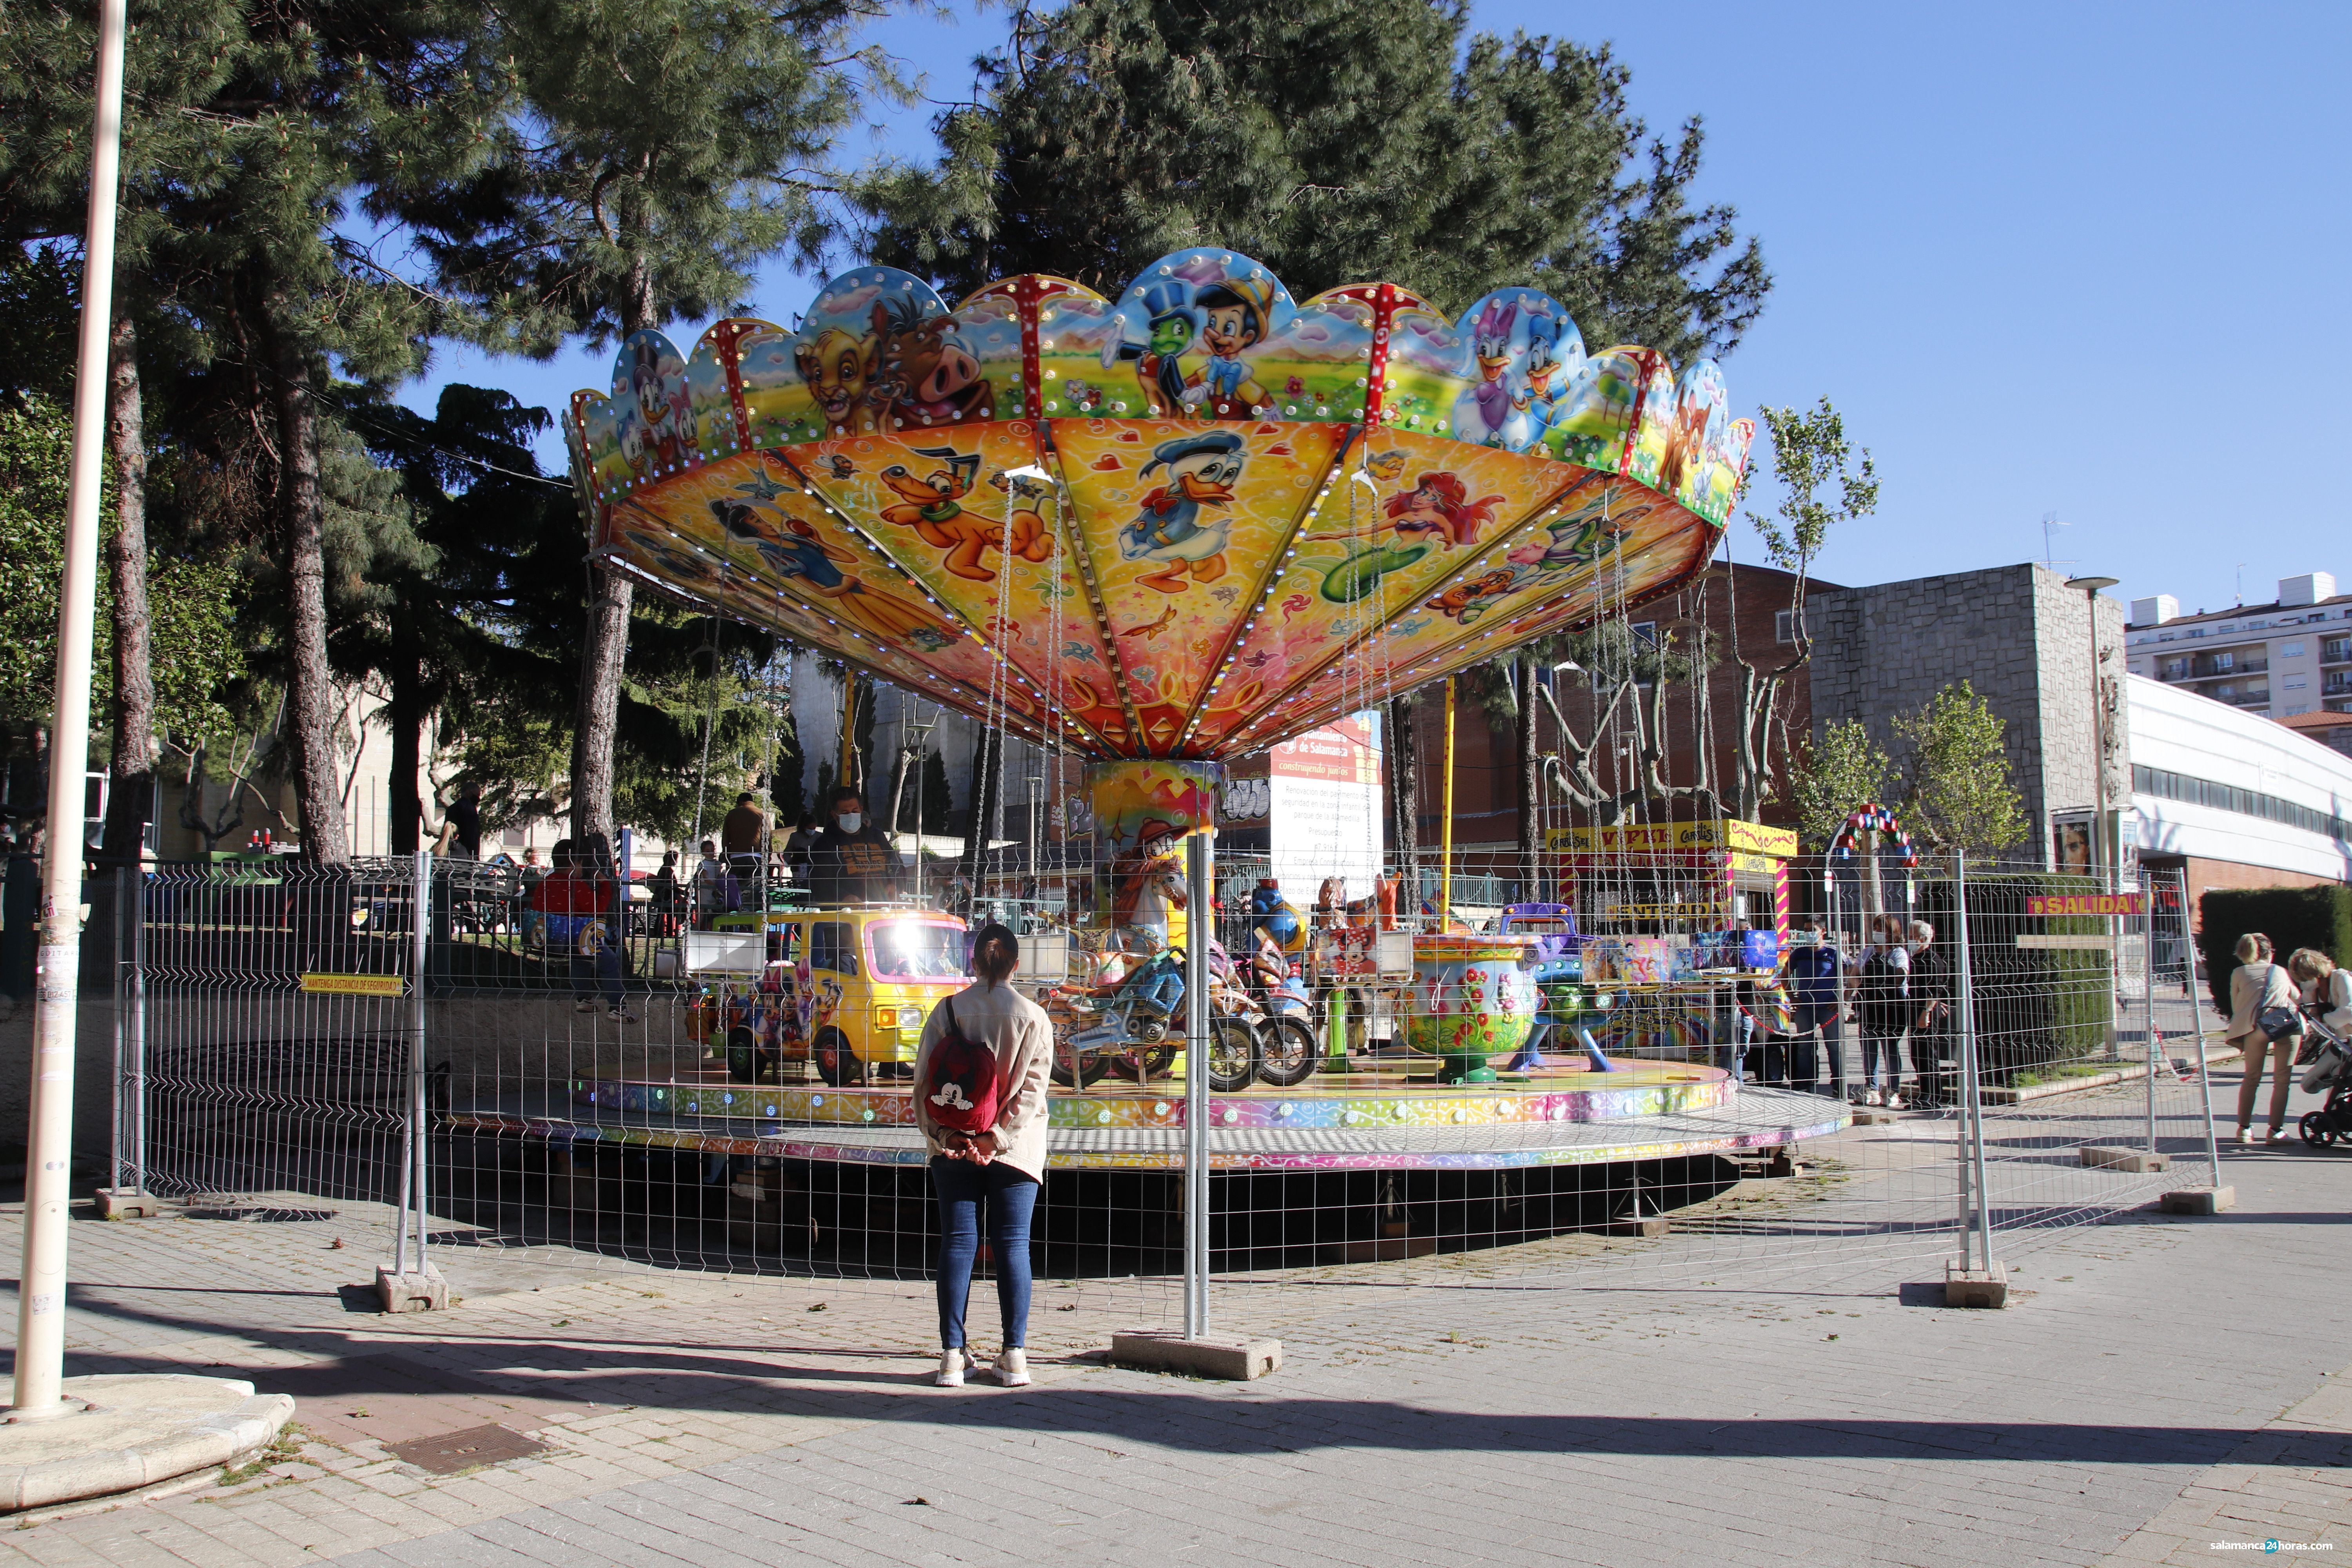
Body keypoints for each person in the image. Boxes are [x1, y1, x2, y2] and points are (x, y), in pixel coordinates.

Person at [912, 923, 1050, 1389]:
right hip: (1016, 1150)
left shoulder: (947, 1010)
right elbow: (1031, 1093)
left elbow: (923, 1085)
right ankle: (1015, 1354)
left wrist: (947, 1135)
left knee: (958, 1242)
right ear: (1016, 964)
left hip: (952, 1145)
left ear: (972, 963)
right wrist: (996, 1139)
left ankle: (953, 1355)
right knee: (1012, 1243)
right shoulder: (1033, 1016)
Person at [531, 838, 633, 1022]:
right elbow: (597, 908)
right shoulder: (574, 885)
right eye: (580, 864)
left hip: (552, 938)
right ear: (574, 863)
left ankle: (583, 999)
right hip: (578, 937)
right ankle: (618, 1007)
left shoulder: (544, 883)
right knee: (609, 961)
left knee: (580, 960)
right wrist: (605, 885)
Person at [2228, 933, 2303, 1144]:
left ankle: (2244, 1129)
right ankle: (2276, 1130)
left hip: (2254, 1026)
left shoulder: (2238, 973)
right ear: (2270, 953)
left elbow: (2237, 1007)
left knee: (2251, 1078)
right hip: (2282, 1024)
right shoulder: (2280, 971)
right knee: (2282, 1080)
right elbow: (2297, 997)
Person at [1855, 914, 1911, 1109]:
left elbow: (1900, 978)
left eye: (1882, 929)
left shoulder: (1898, 953)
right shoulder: (1868, 951)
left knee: (1891, 1049)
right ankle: (1872, 1088)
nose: (1878, 932)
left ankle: (1894, 1090)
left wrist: (1878, 980)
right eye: (1876, 928)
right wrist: (1857, 986)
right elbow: (1855, 974)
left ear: (1892, 932)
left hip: (1892, 1007)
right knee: (1869, 1047)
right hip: (1869, 1006)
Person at [1785, 916, 1844, 1098]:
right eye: (1806, 930)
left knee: (1834, 1047)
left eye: (1812, 929)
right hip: (1805, 1008)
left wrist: (1842, 998)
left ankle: (1839, 1084)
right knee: (1805, 1047)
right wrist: (1792, 997)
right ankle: (1804, 1084)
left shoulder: (1834, 954)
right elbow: (1784, 975)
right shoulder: (1799, 953)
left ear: (1823, 931)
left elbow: (1851, 977)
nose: (1809, 933)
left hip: (1829, 1009)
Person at [809, 787, 899, 904]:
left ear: (861, 810)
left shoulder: (877, 836)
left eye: (855, 811)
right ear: (835, 815)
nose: (851, 815)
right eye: (845, 813)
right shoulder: (824, 844)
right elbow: (818, 882)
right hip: (844, 914)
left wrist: (894, 884)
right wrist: (843, 897)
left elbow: (895, 864)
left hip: (883, 909)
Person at [1906, 919, 1953, 1109]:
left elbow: (1935, 989)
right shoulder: (1915, 958)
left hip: (1925, 1013)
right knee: (1918, 1055)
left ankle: (1933, 1097)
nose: (1909, 940)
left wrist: (1926, 1012)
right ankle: (1925, 1094)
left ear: (1923, 938)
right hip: (1915, 1009)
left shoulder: (1933, 960)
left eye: (1912, 936)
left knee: (1928, 1055)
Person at [2290, 947, 2352, 1038]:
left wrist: (2324, 1019)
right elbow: (2307, 1016)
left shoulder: (2341, 978)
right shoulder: (2312, 991)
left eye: (2304, 978)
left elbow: (2350, 1012)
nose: (2303, 983)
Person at [720, 791, 767, 887]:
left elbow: (725, 838)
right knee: (754, 890)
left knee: (735, 889)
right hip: (755, 857)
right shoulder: (762, 814)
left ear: (740, 802)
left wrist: (726, 853)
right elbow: (767, 837)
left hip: (735, 858)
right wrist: (768, 854)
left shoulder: (731, 814)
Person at [443, 782, 483, 860]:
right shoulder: (470, 809)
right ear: (468, 792)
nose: (478, 798)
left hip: (450, 851)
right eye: (477, 794)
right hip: (466, 854)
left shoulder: (452, 808)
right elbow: (472, 834)